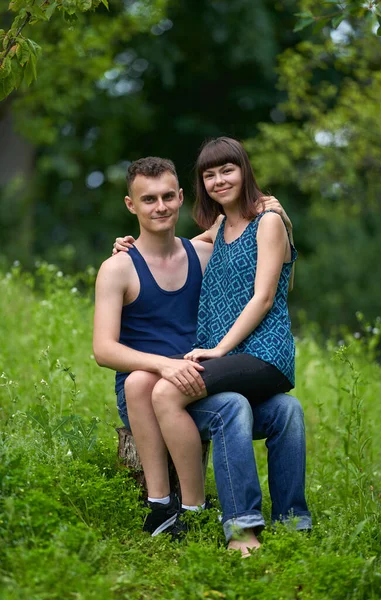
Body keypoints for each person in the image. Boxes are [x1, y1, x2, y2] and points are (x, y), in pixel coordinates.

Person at [96, 155, 311, 556]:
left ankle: (292, 523)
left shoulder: (201, 255)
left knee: (287, 410)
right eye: (148, 200)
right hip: (155, 393)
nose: (159, 207)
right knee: (208, 399)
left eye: (166, 197)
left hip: (201, 382)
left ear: (180, 199)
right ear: (131, 205)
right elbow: (102, 349)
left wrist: (276, 216)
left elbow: (254, 253)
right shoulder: (118, 267)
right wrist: (164, 364)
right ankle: (205, 518)